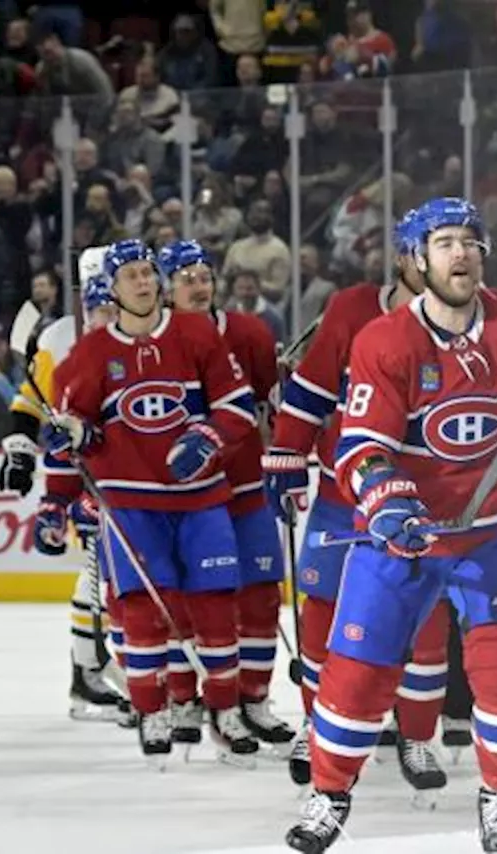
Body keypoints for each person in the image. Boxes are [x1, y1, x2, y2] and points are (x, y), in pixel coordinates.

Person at [282, 197, 497, 853]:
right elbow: (361, 446)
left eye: (470, 240)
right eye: (444, 243)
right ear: (416, 259)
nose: (461, 253)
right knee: (355, 672)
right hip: (403, 533)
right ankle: (328, 796)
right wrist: (388, 499)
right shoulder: (385, 340)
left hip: (496, 530)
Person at [39, 238, 261, 768]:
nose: (142, 281)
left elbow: (238, 407)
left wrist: (208, 436)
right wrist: (56, 496)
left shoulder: (196, 334)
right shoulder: (90, 355)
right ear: (111, 290)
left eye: (147, 272)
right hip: (131, 506)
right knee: (141, 613)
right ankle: (151, 710)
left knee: (214, 608)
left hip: (201, 498)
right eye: (130, 275)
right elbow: (75, 435)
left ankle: (224, 711)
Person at [265, 209, 452, 799]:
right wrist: (286, 457)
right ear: (405, 258)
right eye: (433, 250)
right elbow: (311, 389)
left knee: (427, 622)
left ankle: (417, 735)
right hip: (344, 496)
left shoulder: (465, 321)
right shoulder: (350, 308)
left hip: (426, 502)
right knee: (320, 612)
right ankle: (316, 726)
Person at [158, 239, 295, 750]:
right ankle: (187, 698)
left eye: (203, 275)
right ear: (166, 288)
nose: (198, 284)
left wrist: (289, 395)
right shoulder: (154, 342)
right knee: (191, 602)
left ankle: (253, 699)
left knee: (261, 596)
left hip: (244, 485)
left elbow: (270, 405)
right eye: (185, 276)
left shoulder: (249, 332)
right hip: (183, 497)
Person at [0, 245, 130, 722]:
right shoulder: (57, 337)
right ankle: (88, 675)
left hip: (138, 474)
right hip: (90, 473)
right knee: (100, 572)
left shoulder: (150, 327)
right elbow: (33, 406)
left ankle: (119, 673)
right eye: (96, 297)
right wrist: (23, 456)